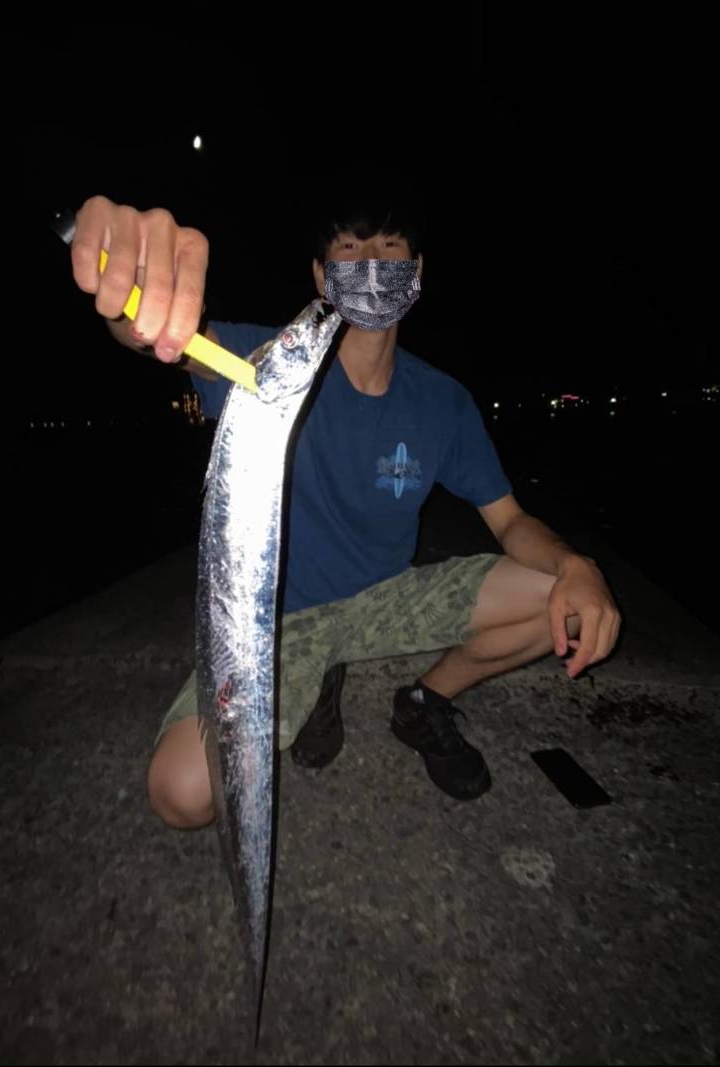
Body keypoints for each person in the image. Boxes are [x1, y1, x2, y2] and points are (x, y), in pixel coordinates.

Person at [70, 191, 621, 821]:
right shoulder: (268, 365)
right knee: (182, 793)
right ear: (320, 276)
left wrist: (576, 565)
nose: (371, 264)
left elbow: (511, 520)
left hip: (388, 598)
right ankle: (319, 674)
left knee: (566, 603)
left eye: (389, 247)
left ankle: (424, 700)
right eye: (350, 248)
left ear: (416, 270)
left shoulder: (443, 400)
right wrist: (136, 290)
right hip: (281, 622)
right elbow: (163, 337)